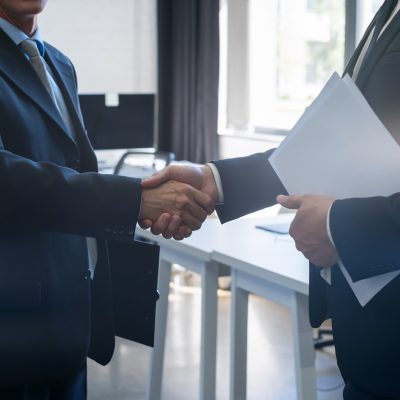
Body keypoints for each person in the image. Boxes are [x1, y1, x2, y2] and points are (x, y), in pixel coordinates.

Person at [141, 0, 400, 398]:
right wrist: (216, 180)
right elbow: (343, 141)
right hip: (373, 339)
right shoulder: (388, 13)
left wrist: (337, 224)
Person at [0, 0, 214, 398]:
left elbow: (74, 170)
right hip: (10, 333)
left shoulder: (60, 64)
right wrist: (134, 200)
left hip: (70, 321)